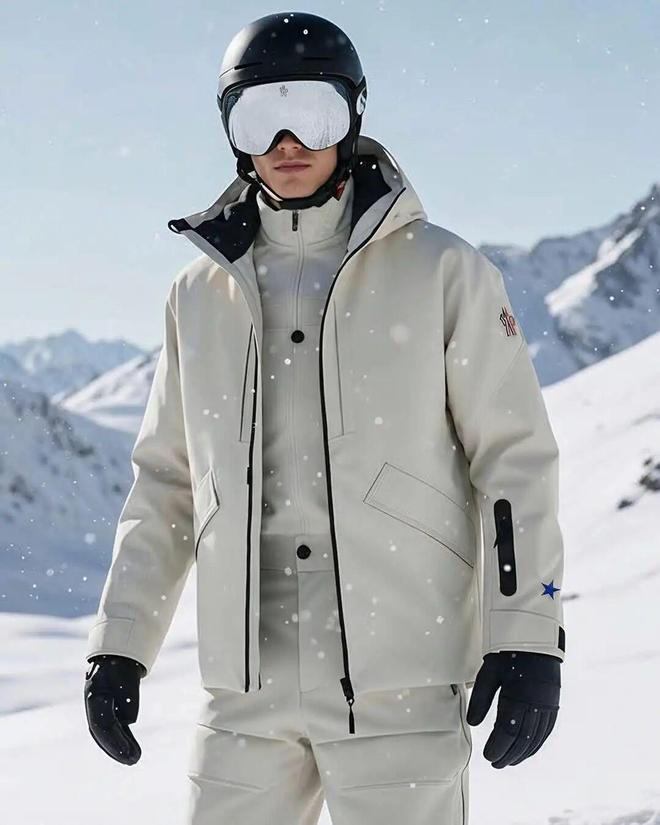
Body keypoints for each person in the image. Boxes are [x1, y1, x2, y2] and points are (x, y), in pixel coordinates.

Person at [83, 11, 565, 825]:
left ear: (352, 115)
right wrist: (120, 643)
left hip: (400, 681)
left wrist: (527, 633)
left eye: (311, 111)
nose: (286, 141)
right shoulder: (197, 295)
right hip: (245, 693)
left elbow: (514, 461)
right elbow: (167, 485)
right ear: (230, 131)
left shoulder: (442, 270)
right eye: (257, 117)